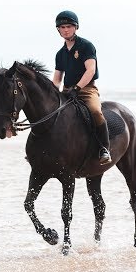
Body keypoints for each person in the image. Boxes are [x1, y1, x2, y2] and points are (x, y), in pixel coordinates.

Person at [52, 10, 111, 165]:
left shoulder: (86, 46)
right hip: (67, 90)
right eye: (62, 27)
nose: (66, 30)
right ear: (58, 30)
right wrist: (52, 93)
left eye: (69, 26)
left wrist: (77, 88)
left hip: (86, 89)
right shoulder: (60, 54)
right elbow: (57, 78)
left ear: (76, 27)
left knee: (95, 111)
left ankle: (104, 148)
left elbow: (90, 70)